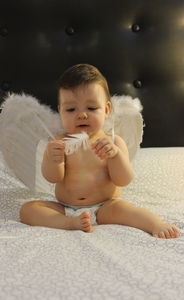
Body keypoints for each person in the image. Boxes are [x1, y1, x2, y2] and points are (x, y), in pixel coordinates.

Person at [20, 64, 180, 239]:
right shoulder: (58, 142)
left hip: (105, 207)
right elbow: (53, 178)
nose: (81, 115)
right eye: (71, 109)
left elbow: (123, 179)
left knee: (126, 210)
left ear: (106, 109)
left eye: (91, 108)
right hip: (65, 208)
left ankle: (155, 223)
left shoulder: (113, 142)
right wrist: (53, 159)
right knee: (28, 209)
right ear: (60, 111)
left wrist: (115, 155)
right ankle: (68, 223)